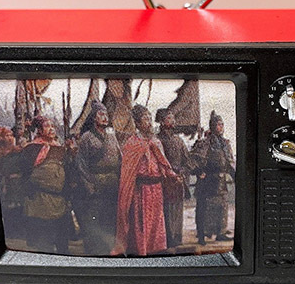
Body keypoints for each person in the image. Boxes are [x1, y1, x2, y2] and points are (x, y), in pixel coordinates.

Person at [113, 105, 179, 256]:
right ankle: (141, 251)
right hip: (141, 190)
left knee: (156, 221)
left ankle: (156, 250)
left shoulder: (156, 142)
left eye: (150, 117)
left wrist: (172, 175)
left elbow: (163, 163)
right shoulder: (132, 143)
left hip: (156, 188)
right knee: (141, 221)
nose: (149, 121)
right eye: (145, 118)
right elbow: (128, 170)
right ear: (137, 122)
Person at [17, 116, 75, 253]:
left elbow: (68, 170)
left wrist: (71, 153)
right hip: (40, 199)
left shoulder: (60, 148)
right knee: (43, 241)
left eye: (52, 126)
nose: (51, 129)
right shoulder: (31, 148)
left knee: (62, 241)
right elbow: (24, 172)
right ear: (39, 130)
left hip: (59, 199)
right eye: (47, 126)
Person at [72, 102, 121, 256]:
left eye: (106, 115)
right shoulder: (86, 138)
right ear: (94, 118)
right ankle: (95, 252)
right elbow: (81, 165)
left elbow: (120, 158)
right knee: (95, 220)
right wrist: (90, 187)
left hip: (112, 183)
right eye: (101, 115)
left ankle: (110, 249)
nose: (105, 117)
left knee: (110, 218)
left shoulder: (112, 136)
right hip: (96, 183)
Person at [190, 110, 236, 245]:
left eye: (222, 124)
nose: (220, 127)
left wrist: (236, 177)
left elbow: (229, 163)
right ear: (212, 126)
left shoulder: (225, 144)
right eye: (218, 124)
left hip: (220, 181)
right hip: (207, 181)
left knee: (222, 207)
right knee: (205, 208)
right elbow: (193, 161)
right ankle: (202, 235)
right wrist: (199, 171)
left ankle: (220, 233)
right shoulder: (205, 143)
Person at [156, 109, 191, 248]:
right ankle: (168, 239)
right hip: (165, 180)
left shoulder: (178, 140)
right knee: (166, 209)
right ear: (162, 121)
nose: (173, 121)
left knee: (177, 209)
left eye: (173, 118)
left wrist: (181, 172)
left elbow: (187, 160)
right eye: (169, 118)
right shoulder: (157, 140)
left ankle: (177, 237)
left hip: (179, 179)